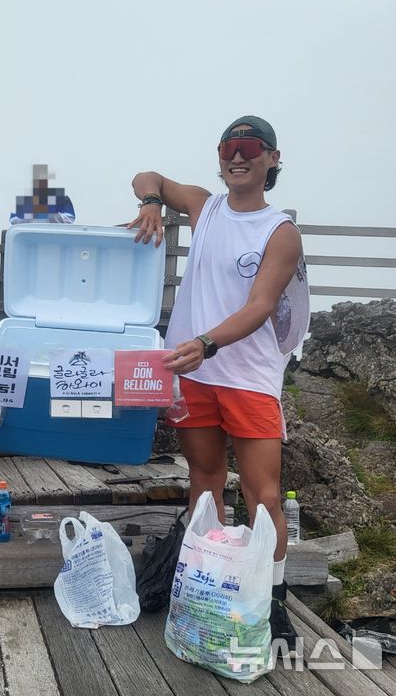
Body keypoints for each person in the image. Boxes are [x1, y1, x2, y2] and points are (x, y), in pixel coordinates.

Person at [130, 116, 310, 654]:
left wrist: (207, 342)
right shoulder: (204, 205)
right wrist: (150, 203)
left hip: (247, 375)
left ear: (272, 159)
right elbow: (149, 175)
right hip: (193, 373)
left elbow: (260, 307)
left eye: (251, 147)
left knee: (264, 495)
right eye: (229, 147)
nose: (239, 155)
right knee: (205, 479)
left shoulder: (280, 231)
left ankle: (273, 600)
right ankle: (208, 583)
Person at [9, 164, 75, 224]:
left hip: (54, 234)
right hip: (30, 235)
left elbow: (71, 219)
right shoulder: (25, 200)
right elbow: (13, 220)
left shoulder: (62, 198)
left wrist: (51, 214)